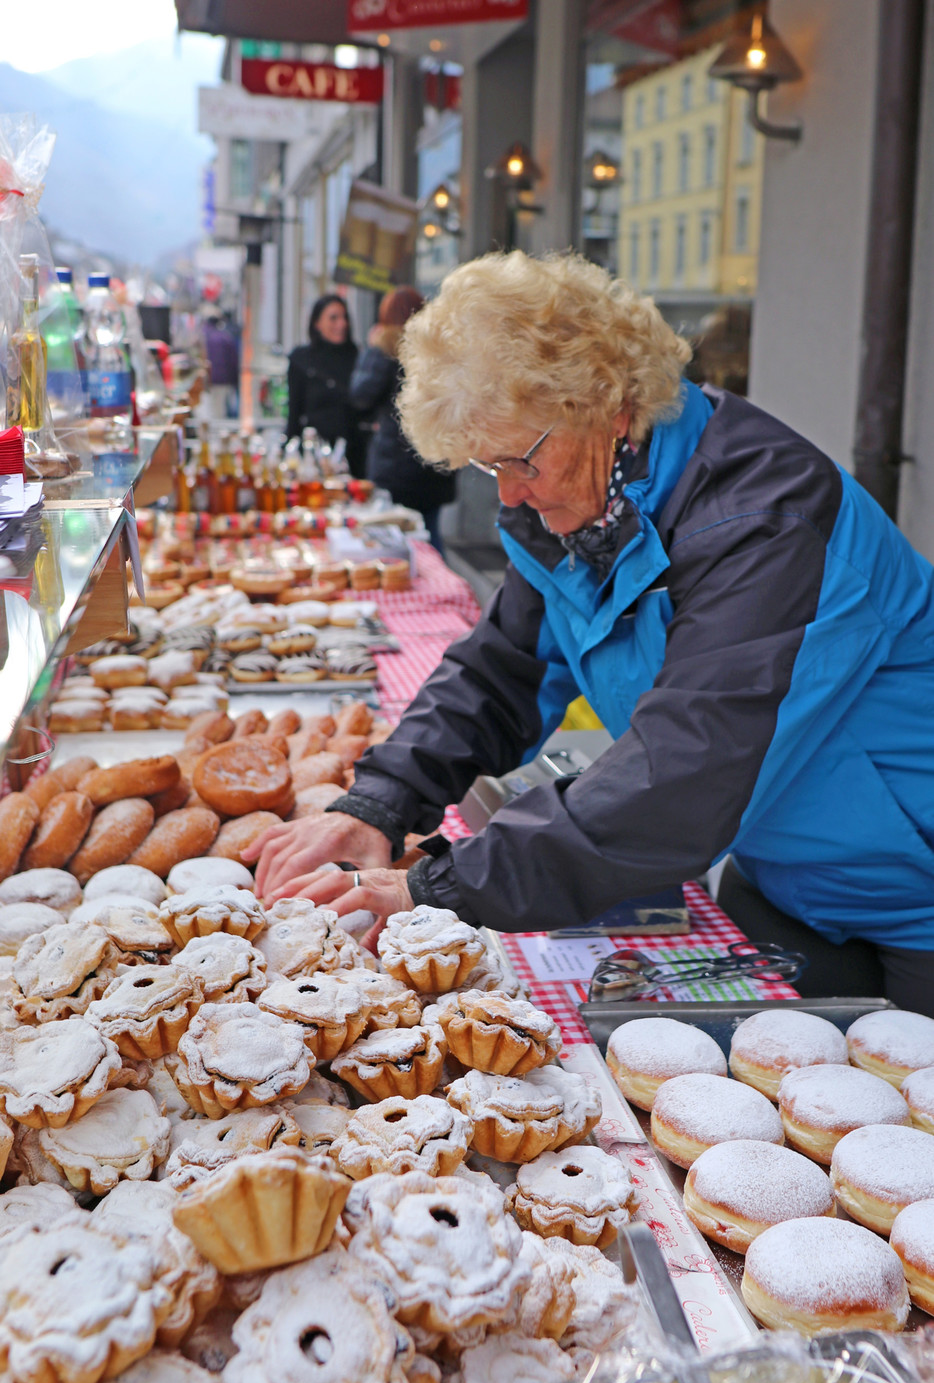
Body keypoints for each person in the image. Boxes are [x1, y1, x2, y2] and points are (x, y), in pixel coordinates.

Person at [244, 250, 934, 1014]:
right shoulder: (586, 506)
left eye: (521, 459)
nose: (509, 491)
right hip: (784, 876)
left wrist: (438, 884)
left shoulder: (763, 520)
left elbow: (683, 775)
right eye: (485, 465)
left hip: (915, 895)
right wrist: (380, 802)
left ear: (608, 405)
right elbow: (503, 673)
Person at [349, 286, 456, 555]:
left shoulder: (385, 350)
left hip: (394, 462)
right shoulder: (441, 349)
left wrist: (374, 350)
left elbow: (360, 396)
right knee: (430, 534)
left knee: (391, 537)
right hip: (434, 459)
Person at [286, 294, 364, 474]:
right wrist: (291, 453)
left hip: (354, 453)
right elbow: (294, 412)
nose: (342, 324)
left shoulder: (358, 357)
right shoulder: (302, 360)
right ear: (317, 323)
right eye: (333, 318)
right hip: (315, 456)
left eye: (344, 317)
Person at [201, 307, 239, 419]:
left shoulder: (205, 337)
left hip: (210, 377)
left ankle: (212, 430)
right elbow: (233, 360)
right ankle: (219, 431)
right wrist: (234, 379)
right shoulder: (225, 338)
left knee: (211, 406)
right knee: (220, 407)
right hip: (224, 378)